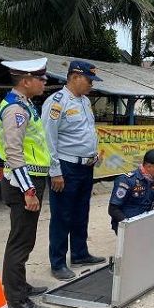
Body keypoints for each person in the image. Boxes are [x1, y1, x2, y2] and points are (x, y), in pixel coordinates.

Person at [0, 58, 51, 308]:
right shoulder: (15, 110)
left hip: (28, 180)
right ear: (26, 80)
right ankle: (16, 300)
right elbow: (14, 152)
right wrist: (29, 191)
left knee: (24, 238)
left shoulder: (25, 105)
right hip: (22, 183)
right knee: (20, 240)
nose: (44, 82)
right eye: (40, 78)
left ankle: (19, 286)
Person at [42, 60, 105, 281]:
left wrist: (94, 153)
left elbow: (86, 131)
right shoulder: (56, 102)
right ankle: (58, 263)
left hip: (85, 167)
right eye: (89, 80)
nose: (91, 85)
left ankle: (79, 253)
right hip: (66, 168)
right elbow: (48, 139)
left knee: (81, 212)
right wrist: (55, 172)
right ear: (75, 77)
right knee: (62, 216)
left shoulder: (85, 101)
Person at [108, 149, 154, 234]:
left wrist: (150, 218)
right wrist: (129, 225)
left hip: (147, 222)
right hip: (126, 223)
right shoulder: (126, 180)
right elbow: (113, 209)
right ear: (149, 166)